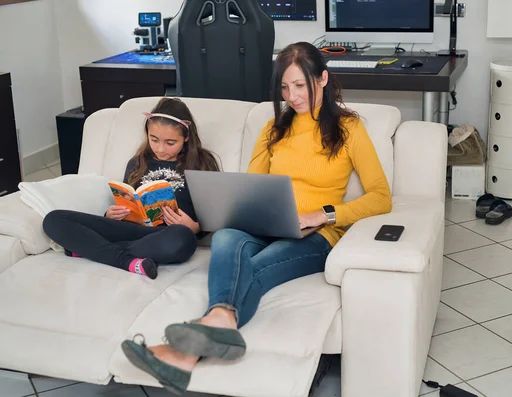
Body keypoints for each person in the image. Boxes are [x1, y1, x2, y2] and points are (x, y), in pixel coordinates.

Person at [120, 42, 392, 394]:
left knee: (259, 267)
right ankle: (205, 336)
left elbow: (381, 197)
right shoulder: (272, 130)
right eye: (284, 87)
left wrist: (322, 215)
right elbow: (249, 189)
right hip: (267, 226)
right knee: (226, 238)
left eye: (300, 85)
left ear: (323, 78)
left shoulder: (349, 129)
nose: (292, 96)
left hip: (317, 235)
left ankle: (181, 350)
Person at [43, 98, 220, 280]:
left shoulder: (203, 163)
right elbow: (129, 198)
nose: (160, 148)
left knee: (183, 240)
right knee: (53, 219)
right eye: (154, 139)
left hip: (168, 235)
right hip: (130, 230)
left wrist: (195, 227)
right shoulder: (137, 162)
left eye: (170, 142)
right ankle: (126, 260)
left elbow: (214, 215)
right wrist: (111, 214)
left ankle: (92, 249)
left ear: (186, 137)